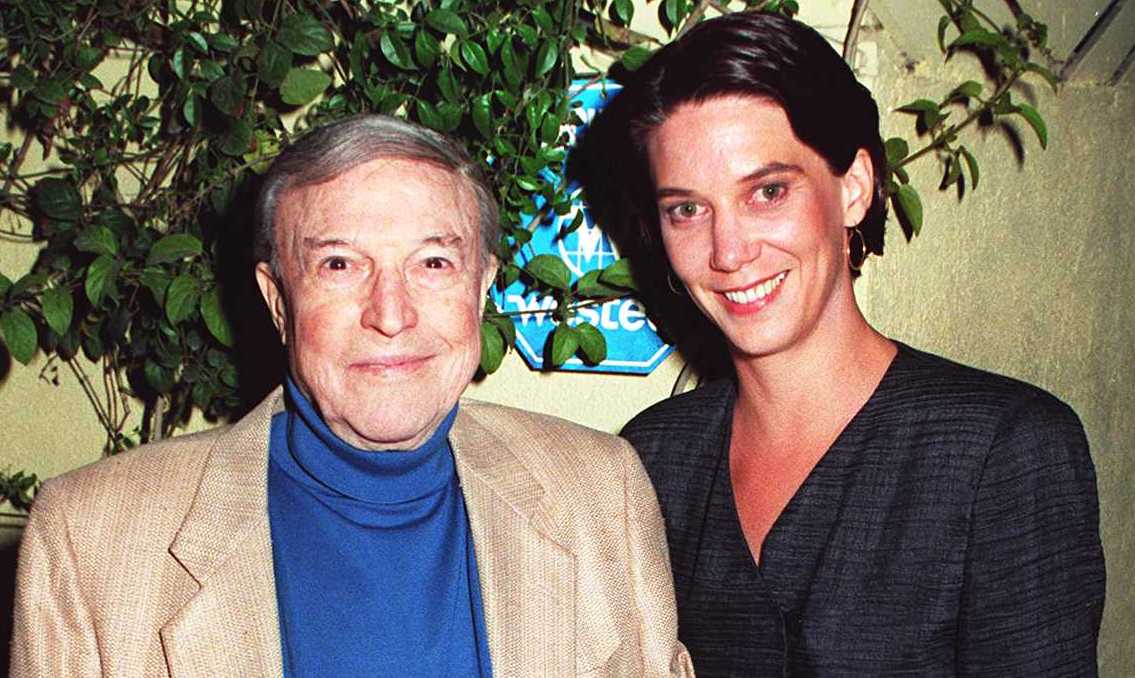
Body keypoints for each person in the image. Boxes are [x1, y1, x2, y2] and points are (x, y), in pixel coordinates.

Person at [11, 115, 693, 677]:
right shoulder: (92, 538)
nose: (389, 313)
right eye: (339, 265)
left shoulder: (601, 493)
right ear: (278, 301)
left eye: (433, 263)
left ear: (480, 288)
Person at [576, 10, 1106, 676]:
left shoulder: (1002, 447)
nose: (728, 251)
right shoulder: (653, 458)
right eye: (686, 209)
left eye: (767, 192)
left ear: (852, 188)